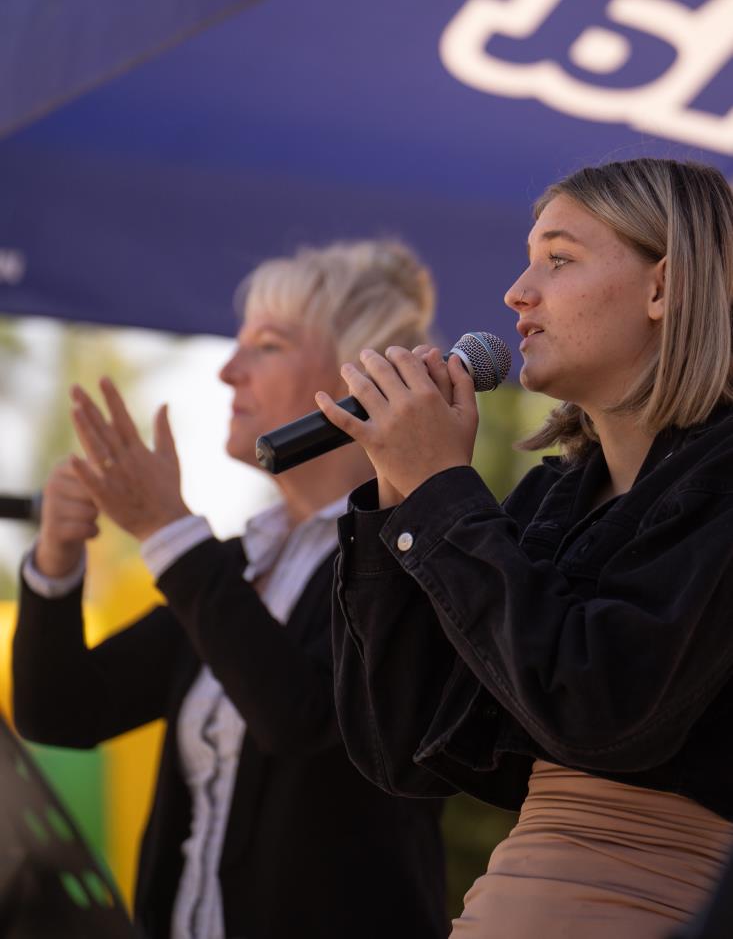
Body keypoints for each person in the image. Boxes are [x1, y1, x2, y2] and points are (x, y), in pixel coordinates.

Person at [318, 158, 733, 939]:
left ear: (663, 288)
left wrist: (442, 492)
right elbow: (397, 745)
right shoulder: (550, 499)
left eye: (558, 259)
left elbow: (600, 711)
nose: (516, 292)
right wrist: (400, 499)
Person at [12, 240, 447, 939]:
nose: (226, 370)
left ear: (357, 380)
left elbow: (304, 725)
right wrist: (56, 564)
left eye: (267, 345)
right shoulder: (237, 564)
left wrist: (168, 530)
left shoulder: (409, 558)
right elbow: (62, 712)